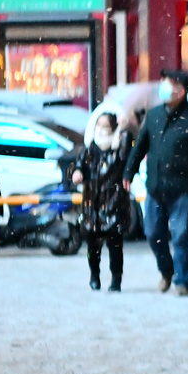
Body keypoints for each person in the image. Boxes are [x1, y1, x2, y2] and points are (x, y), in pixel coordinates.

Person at [126, 70, 188, 296]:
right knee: (152, 233)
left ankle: (183, 280)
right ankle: (166, 270)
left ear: (182, 91)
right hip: (155, 186)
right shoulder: (154, 116)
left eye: (170, 84)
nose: (164, 88)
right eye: (164, 83)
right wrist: (129, 172)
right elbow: (140, 147)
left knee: (180, 234)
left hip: (182, 188)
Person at [73, 111, 134, 291]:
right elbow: (78, 165)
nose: (102, 131)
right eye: (99, 126)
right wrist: (77, 172)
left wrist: (124, 131)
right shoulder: (89, 150)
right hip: (92, 205)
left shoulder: (118, 150)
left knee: (115, 246)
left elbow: (125, 154)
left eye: (106, 126)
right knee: (92, 247)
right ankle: (94, 275)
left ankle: (116, 279)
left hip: (113, 204)